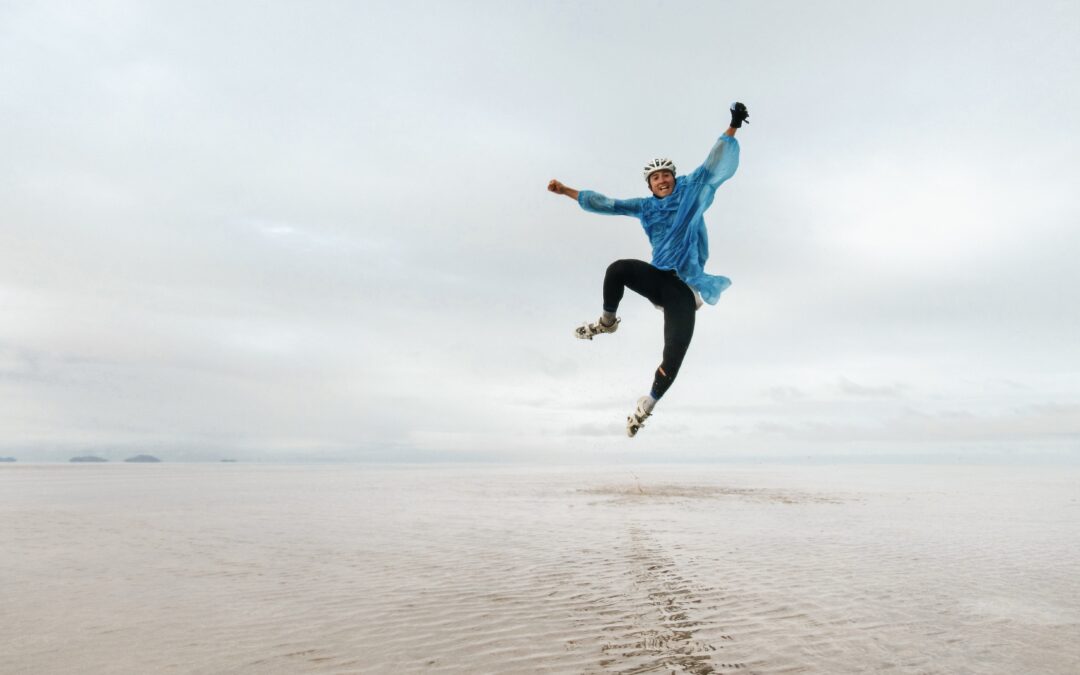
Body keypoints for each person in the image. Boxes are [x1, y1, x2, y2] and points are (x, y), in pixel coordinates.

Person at [547, 102, 749, 437]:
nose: (662, 180)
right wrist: (566, 190)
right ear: (649, 184)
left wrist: (733, 126)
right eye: (655, 178)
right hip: (658, 278)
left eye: (666, 175)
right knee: (618, 269)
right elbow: (606, 203)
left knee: (674, 354)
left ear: (673, 177)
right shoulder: (643, 208)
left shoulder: (690, 188)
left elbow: (713, 164)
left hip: (683, 289)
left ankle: (646, 407)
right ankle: (607, 323)